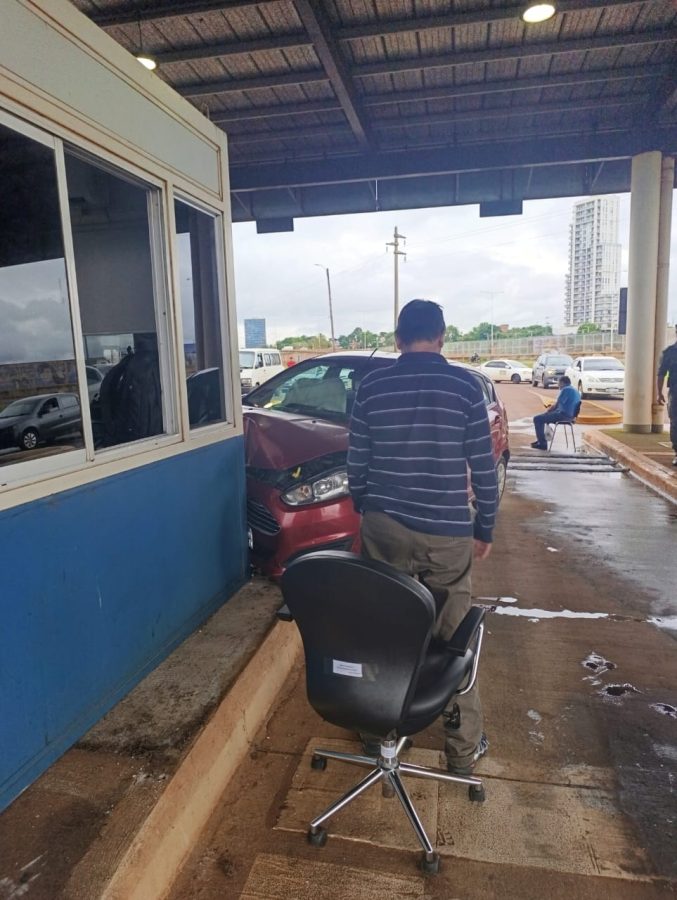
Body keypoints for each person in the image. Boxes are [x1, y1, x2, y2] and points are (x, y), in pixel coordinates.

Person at [347, 299, 498, 775]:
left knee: (383, 629)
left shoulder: (372, 386)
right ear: (442, 336)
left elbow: (357, 463)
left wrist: (365, 508)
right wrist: (484, 526)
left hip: (385, 526)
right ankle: (462, 750)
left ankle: (377, 734)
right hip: (448, 532)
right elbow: (483, 467)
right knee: (454, 640)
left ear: (397, 338)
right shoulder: (465, 386)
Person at [531, 375, 580, 450]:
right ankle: (540, 441)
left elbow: (556, 405)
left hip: (563, 415)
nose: (558, 385)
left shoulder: (566, 390)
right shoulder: (576, 391)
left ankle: (542, 443)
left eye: (559, 383)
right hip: (570, 416)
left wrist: (548, 411)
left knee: (537, 419)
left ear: (562, 383)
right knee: (543, 417)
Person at [657, 324, 677, 466]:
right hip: (675, 393)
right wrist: (659, 393)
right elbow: (661, 373)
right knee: (675, 423)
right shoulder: (670, 352)